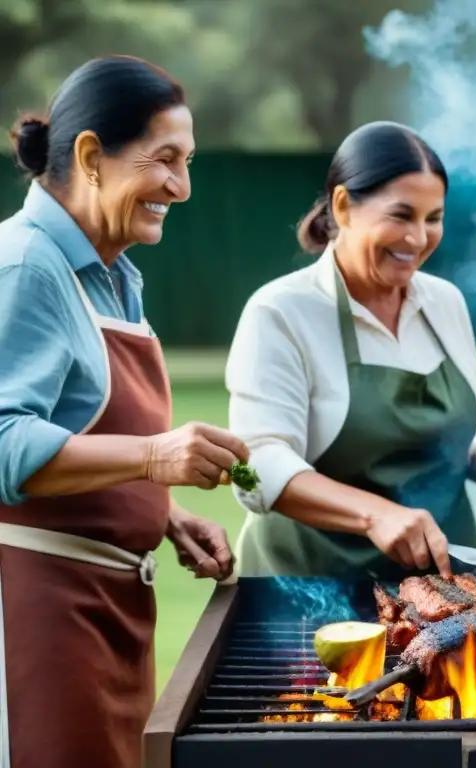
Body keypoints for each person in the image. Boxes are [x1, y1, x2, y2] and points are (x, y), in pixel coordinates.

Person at [0, 57, 248, 768]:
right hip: (37, 619)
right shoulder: (26, 264)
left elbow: (77, 421)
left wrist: (160, 510)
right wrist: (152, 459)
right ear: (90, 157)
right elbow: (4, 439)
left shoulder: (113, 274)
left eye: (189, 161)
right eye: (165, 159)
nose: (183, 186)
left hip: (110, 617)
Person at [226, 121, 476, 581]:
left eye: (433, 218)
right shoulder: (281, 312)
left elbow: (460, 428)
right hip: (313, 590)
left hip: (445, 590)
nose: (418, 238)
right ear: (343, 206)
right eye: (401, 215)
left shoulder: (444, 303)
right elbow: (257, 466)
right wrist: (376, 515)